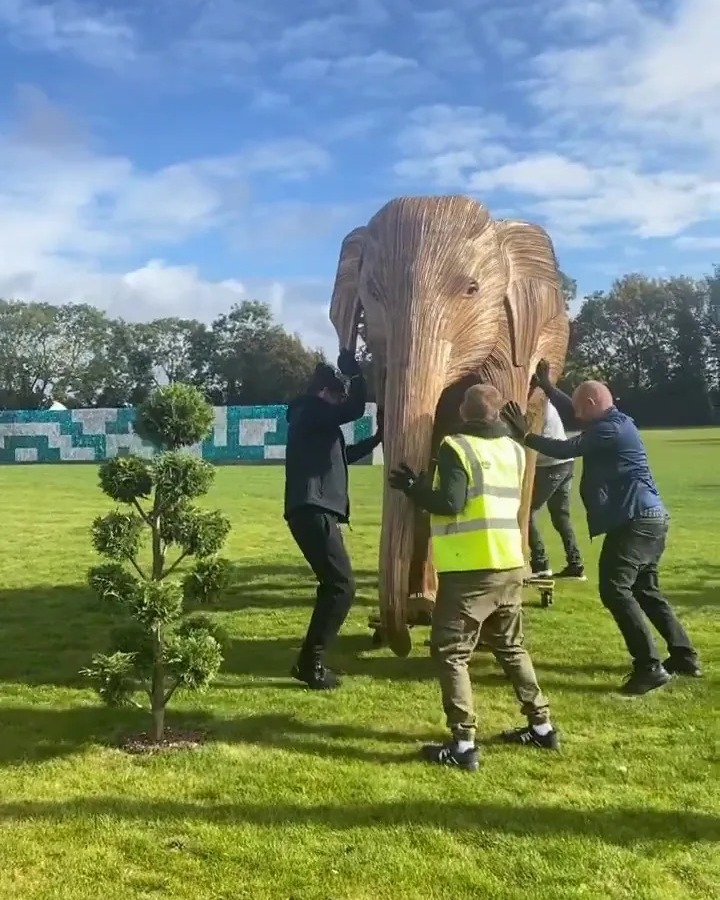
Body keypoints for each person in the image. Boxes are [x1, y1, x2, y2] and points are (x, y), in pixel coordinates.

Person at [502, 363, 701, 696]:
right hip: (648, 519)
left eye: (581, 409)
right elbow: (573, 409)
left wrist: (525, 435)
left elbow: (568, 448)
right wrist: (548, 387)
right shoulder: (613, 422)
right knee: (645, 590)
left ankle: (649, 667)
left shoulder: (609, 430)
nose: (574, 415)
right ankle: (684, 655)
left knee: (614, 589)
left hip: (635, 522)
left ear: (592, 405)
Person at [389, 383, 559, 772]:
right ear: (497, 414)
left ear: (463, 413)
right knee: (511, 647)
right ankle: (542, 725)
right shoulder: (514, 449)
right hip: (509, 563)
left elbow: (451, 502)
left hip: (471, 568)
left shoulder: (456, 447)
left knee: (451, 651)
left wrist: (414, 488)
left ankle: (463, 744)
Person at [284, 350, 382, 690]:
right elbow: (354, 409)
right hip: (313, 509)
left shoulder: (311, 420)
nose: (341, 403)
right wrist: (356, 375)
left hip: (312, 509)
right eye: (337, 395)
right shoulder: (310, 410)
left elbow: (344, 455)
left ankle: (309, 661)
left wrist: (378, 438)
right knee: (341, 586)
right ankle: (310, 663)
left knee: (336, 586)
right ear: (325, 393)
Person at [529, 398, 585, 580]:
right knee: (561, 516)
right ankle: (575, 564)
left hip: (551, 465)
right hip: (563, 464)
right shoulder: (543, 401)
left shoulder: (537, 404)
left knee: (526, 513)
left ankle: (540, 565)